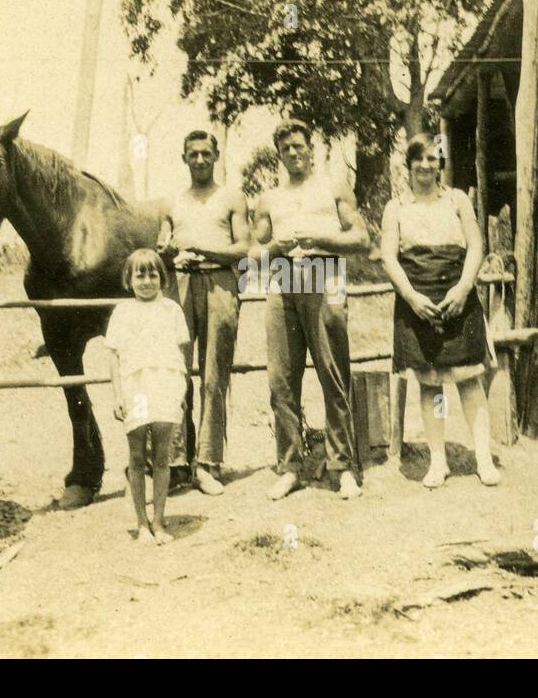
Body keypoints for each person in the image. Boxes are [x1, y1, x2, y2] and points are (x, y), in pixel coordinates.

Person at [249, 120, 370, 501]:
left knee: (332, 375)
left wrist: (321, 238)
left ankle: (343, 466)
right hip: (283, 279)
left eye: (299, 146)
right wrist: (275, 249)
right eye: (286, 149)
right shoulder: (269, 198)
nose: (294, 153)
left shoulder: (333, 186)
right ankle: (290, 467)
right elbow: (252, 254)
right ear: (279, 154)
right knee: (281, 381)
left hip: (326, 273)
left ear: (310, 148)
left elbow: (362, 238)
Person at [379, 133, 501, 489]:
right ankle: (438, 462)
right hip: (418, 299)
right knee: (430, 383)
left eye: (432, 159)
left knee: (468, 379)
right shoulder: (396, 207)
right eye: (419, 158)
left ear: (440, 164)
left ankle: (483, 460)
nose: (425, 166)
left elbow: (476, 244)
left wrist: (463, 289)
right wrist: (412, 298)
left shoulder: (457, 200)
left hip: (457, 296)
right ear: (409, 164)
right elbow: (389, 256)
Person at [156, 130, 250, 496]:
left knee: (214, 374)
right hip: (179, 285)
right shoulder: (172, 201)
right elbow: (162, 245)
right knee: (176, 373)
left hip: (220, 285)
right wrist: (166, 251)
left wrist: (202, 248)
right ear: (184, 158)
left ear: (216, 155)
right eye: (192, 154)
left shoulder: (231, 197)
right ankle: (178, 463)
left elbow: (243, 248)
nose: (199, 160)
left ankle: (208, 464)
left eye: (205, 154)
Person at [105, 248, 191, 544]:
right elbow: (114, 358)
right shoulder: (122, 312)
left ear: (162, 278)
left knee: (163, 457)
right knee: (138, 456)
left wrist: (181, 388)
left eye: (152, 274)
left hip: (165, 384)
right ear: (128, 280)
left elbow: (180, 353)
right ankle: (141, 523)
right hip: (136, 388)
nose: (146, 281)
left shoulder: (171, 310)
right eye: (139, 275)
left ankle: (159, 522)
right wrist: (118, 394)